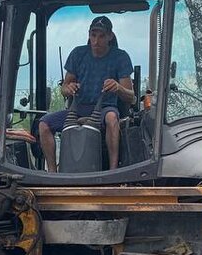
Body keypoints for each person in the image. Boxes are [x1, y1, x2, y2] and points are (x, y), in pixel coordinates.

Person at [38, 16, 134, 171]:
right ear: (89, 34)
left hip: (105, 108)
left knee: (111, 118)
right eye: (93, 35)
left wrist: (118, 87)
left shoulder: (120, 57)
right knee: (43, 124)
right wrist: (68, 88)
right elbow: (64, 87)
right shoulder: (77, 54)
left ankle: (113, 171)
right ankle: (52, 173)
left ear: (110, 36)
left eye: (101, 36)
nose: (96, 41)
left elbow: (132, 97)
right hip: (78, 109)